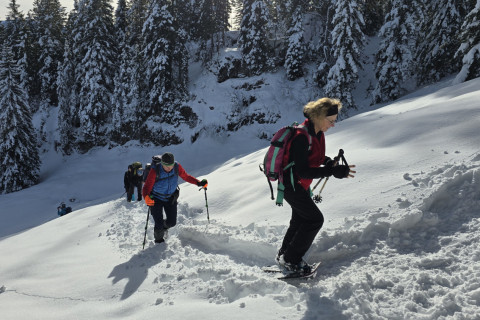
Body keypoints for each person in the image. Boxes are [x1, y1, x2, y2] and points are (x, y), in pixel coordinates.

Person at [276, 97, 356, 273]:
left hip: (299, 185)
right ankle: (291, 259)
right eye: (331, 121)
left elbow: (316, 158)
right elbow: (303, 170)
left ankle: (284, 255)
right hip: (291, 185)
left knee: (299, 219)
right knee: (314, 219)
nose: (333, 125)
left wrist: (329, 163)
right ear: (319, 116)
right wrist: (332, 172)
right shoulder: (301, 137)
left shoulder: (317, 134)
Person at [142, 152, 208, 243]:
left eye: (171, 165)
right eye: (166, 166)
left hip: (170, 198)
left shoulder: (176, 166)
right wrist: (146, 197)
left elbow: (186, 176)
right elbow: (146, 187)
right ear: (162, 164)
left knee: (172, 222)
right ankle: (159, 241)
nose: (169, 168)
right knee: (159, 223)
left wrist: (199, 183)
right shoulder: (155, 171)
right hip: (156, 199)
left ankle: (164, 228)